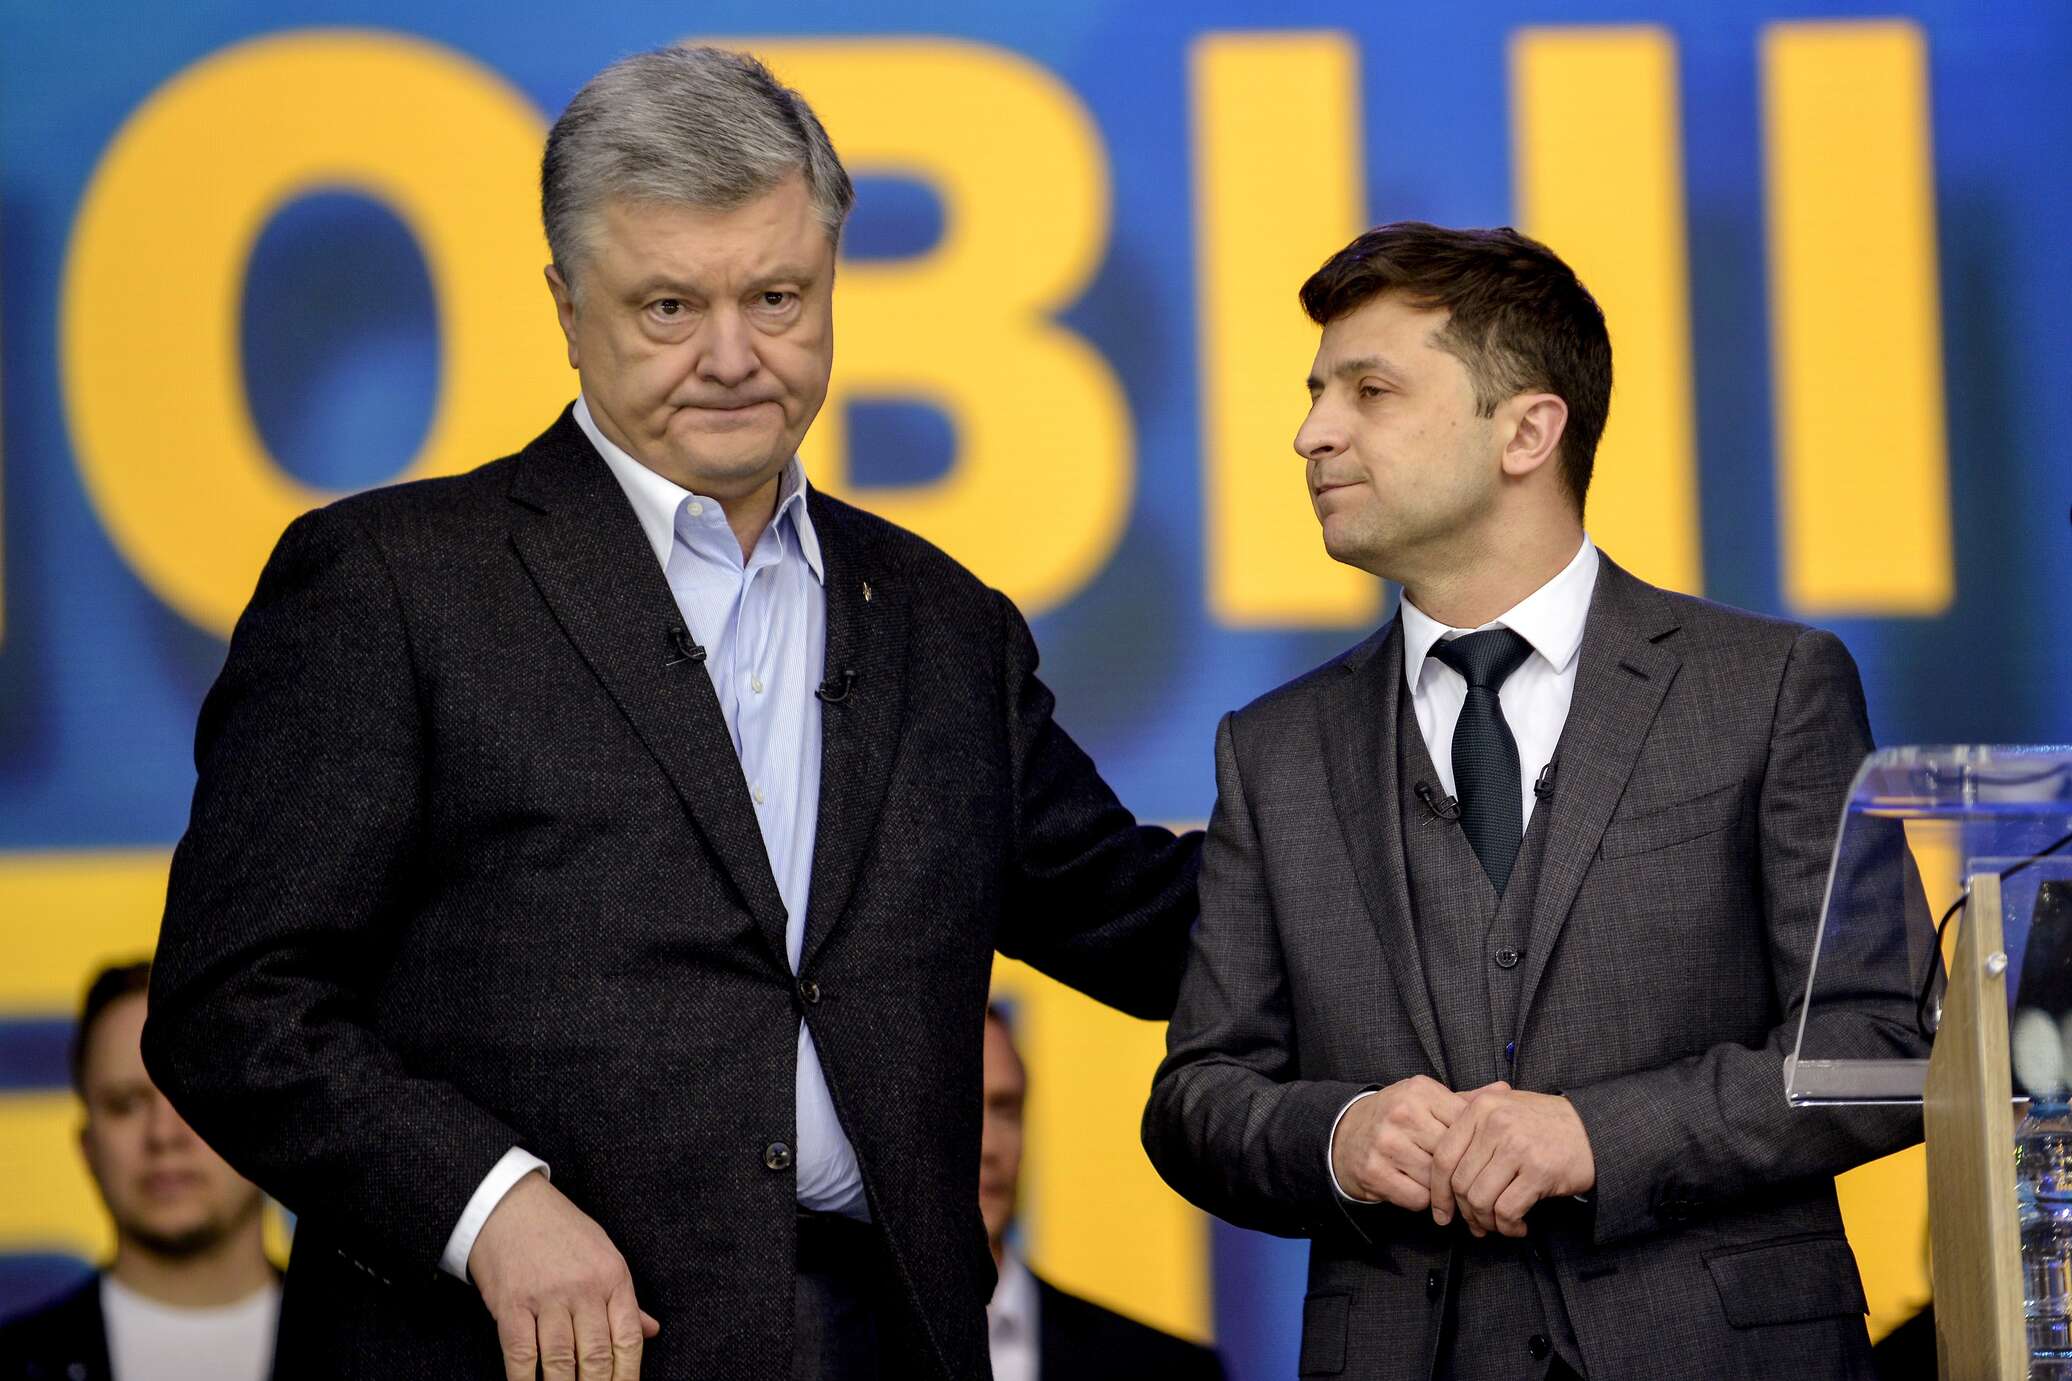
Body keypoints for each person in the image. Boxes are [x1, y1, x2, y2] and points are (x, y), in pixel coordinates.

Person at [141, 45, 1199, 1381]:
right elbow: (232, 1002)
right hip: (519, 1351)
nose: (732, 357)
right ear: (565, 306)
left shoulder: (942, 623)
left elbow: (1155, 927)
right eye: (667, 308)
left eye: (777, 297)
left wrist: (1426, 774)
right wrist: (489, 1207)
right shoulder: (391, 585)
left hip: (878, 1342)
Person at [1141, 222, 1926, 1379]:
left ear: (1525, 430)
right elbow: (1196, 1097)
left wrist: (1598, 1136)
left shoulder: (1763, 689)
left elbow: (1881, 1046)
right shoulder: (1272, 750)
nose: (1312, 433)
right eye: (1315, 395)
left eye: (1369, 391)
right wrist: (1339, 1135)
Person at [0, 961, 280, 1381]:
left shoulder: (378, 1353)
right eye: (125, 1104)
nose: (163, 1135)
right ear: (87, 1148)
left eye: (194, 1093)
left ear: (268, 1126)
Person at [978, 1006, 1223, 1381]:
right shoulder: (874, 1347)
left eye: (1005, 1110)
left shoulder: (1167, 1371)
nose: (989, 1147)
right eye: (961, 1113)